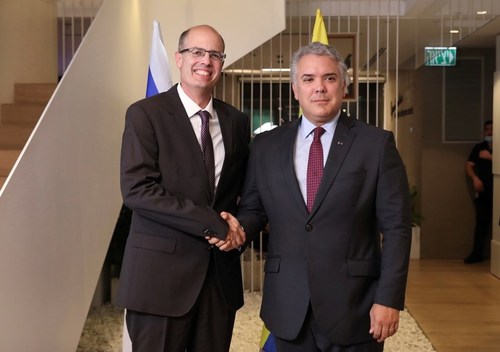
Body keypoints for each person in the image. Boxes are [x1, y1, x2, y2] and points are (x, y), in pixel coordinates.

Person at [219, 42, 412, 351]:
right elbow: (255, 209)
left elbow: (397, 228)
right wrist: (237, 228)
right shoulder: (266, 145)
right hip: (287, 305)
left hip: (354, 305)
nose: (319, 88)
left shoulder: (376, 145)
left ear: (344, 86)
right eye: (308, 79)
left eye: (329, 78)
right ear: (296, 89)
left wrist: (388, 299)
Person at [116, 24, 249, 352]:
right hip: (160, 281)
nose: (206, 60)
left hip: (218, 281)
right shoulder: (145, 114)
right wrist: (214, 224)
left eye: (215, 54)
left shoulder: (236, 121)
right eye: (197, 52)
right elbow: (138, 190)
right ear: (178, 58)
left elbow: (244, 188)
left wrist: (239, 228)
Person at [464, 120, 493, 264]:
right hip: (483, 192)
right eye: (487, 129)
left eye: (492, 129)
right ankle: (477, 254)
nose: (490, 132)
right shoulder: (479, 147)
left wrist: (490, 157)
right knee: (481, 223)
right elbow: (469, 165)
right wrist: (475, 179)